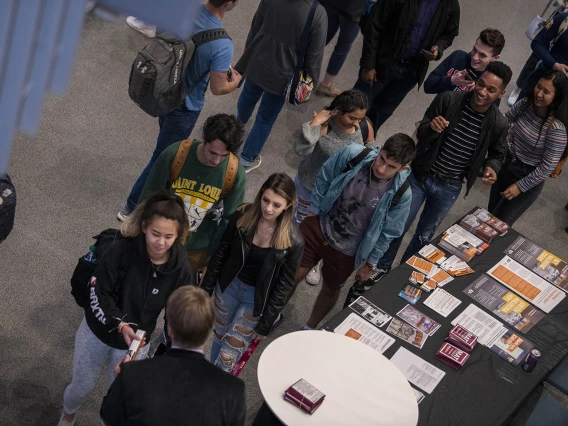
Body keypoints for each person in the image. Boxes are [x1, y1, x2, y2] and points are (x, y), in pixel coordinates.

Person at [58, 190, 191, 426]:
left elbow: (179, 310)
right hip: (98, 331)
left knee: (121, 397)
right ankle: (68, 413)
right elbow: (99, 292)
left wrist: (173, 344)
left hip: (136, 343)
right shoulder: (121, 250)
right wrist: (120, 324)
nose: (161, 242)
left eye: (168, 237)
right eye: (155, 234)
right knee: (81, 386)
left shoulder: (181, 268)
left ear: (178, 235)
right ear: (143, 227)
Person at [372, 61, 511, 281]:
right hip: (420, 176)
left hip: (450, 186)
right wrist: (431, 127)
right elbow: (422, 130)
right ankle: (381, 268)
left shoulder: (499, 124)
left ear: (501, 93)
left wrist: (492, 167)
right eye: (481, 84)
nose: (482, 92)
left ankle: (403, 273)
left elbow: (498, 153)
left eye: (491, 90)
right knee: (398, 226)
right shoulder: (448, 99)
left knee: (424, 236)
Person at [119, 0, 242, 220]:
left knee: (163, 148)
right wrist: (235, 82)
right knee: (162, 158)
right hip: (185, 106)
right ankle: (131, 208)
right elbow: (218, 87)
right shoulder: (223, 44)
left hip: (162, 92)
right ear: (231, 3)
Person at [296, 136, 417, 330]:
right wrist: (313, 212)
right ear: (381, 147)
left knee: (331, 289)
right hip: (320, 225)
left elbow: (389, 233)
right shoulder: (353, 154)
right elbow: (325, 176)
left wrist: (370, 264)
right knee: (292, 272)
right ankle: (270, 314)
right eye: (382, 159)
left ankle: (309, 328)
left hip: (348, 250)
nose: (381, 169)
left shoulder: (402, 194)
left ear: (403, 168)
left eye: (391, 167)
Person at [202, 173, 304, 373]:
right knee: (219, 337)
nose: (268, 208)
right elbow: (222, 252)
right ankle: (211, 380)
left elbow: (284, 285)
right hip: (228, 288)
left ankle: (213, 385)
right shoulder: (242, 215)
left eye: (276, 205)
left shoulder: (294, 240)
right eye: (266, 200)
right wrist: (205, 289)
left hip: (255, 300)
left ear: (288, 206)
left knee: (229, 353)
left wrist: (266, 323)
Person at [100, 286, 246, 426]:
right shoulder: (233, 390)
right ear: (208, 331)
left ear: (169, 328)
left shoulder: (131, 374)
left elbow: (109, 416)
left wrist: (119, 380)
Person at [138, 114, 246, 286]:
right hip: (162, 241)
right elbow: (147, 198)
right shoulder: (175, 155)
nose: (216, 160)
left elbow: (229, 221)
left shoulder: (234, 173)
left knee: (179, 306)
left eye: (224, 155)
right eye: (212, 152)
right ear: (204, 137)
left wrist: (211, 261)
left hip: (197, 251)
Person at [234, 0, 327, 172]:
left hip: (257, 60)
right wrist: (309, 85)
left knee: (248, 96)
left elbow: (255, 28)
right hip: (283, 75)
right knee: (266, 117)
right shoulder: (317, 13)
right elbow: (314, 56)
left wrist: (246, 60)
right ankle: (247, 159)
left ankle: (234, 131)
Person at [294, 89, 373, 285]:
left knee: (326, 229)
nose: (356, 122)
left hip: (337, 194)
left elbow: (369, 154)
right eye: (352, 118)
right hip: (309, 185)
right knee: (300, 222)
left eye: (360, 118)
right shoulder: (324, 124)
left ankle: (313, 260)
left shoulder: (364, 126)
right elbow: (301, 149)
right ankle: (292, 255)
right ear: (338, 111)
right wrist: (314, 124)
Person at [355, 0, 460, 132]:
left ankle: (361, 147)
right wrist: (368, 64)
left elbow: (450, 33)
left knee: (378, 116)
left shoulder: (450, 4)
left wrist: (438, 47)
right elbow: (375, 24)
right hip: (381, 64)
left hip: (410, 73)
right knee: (354, 107)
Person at [489, 70, 568, 225]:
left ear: (556, 97)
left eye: (546, 92)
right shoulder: (526, 104)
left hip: (527, 176)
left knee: (500, 224)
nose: (539, 93)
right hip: (506, 164)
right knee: (490, 216)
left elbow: (546, 167)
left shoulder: (557, 128)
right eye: (538, 87)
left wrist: (520, 186)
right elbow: (505, 121)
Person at [508, 0, 568, 106]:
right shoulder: (563, 19)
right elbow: (537, 43)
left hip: (562, 93)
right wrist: (554, 64)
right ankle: (519, 88)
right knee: (535, 58)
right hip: (546, 71)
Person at [424, 28, 505, 95]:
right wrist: (451, 80)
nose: (475, 57)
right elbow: (427, 86)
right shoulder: (458, 57)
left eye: (482, 55)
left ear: (495, 58)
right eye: (474, 49)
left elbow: (490, 112)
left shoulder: (494, 81)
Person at [315, 0, 368, 97]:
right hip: (354, 8)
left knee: (321, 38)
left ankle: (299, 73)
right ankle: (326, 84)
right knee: (343, 46)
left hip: (331, 3)